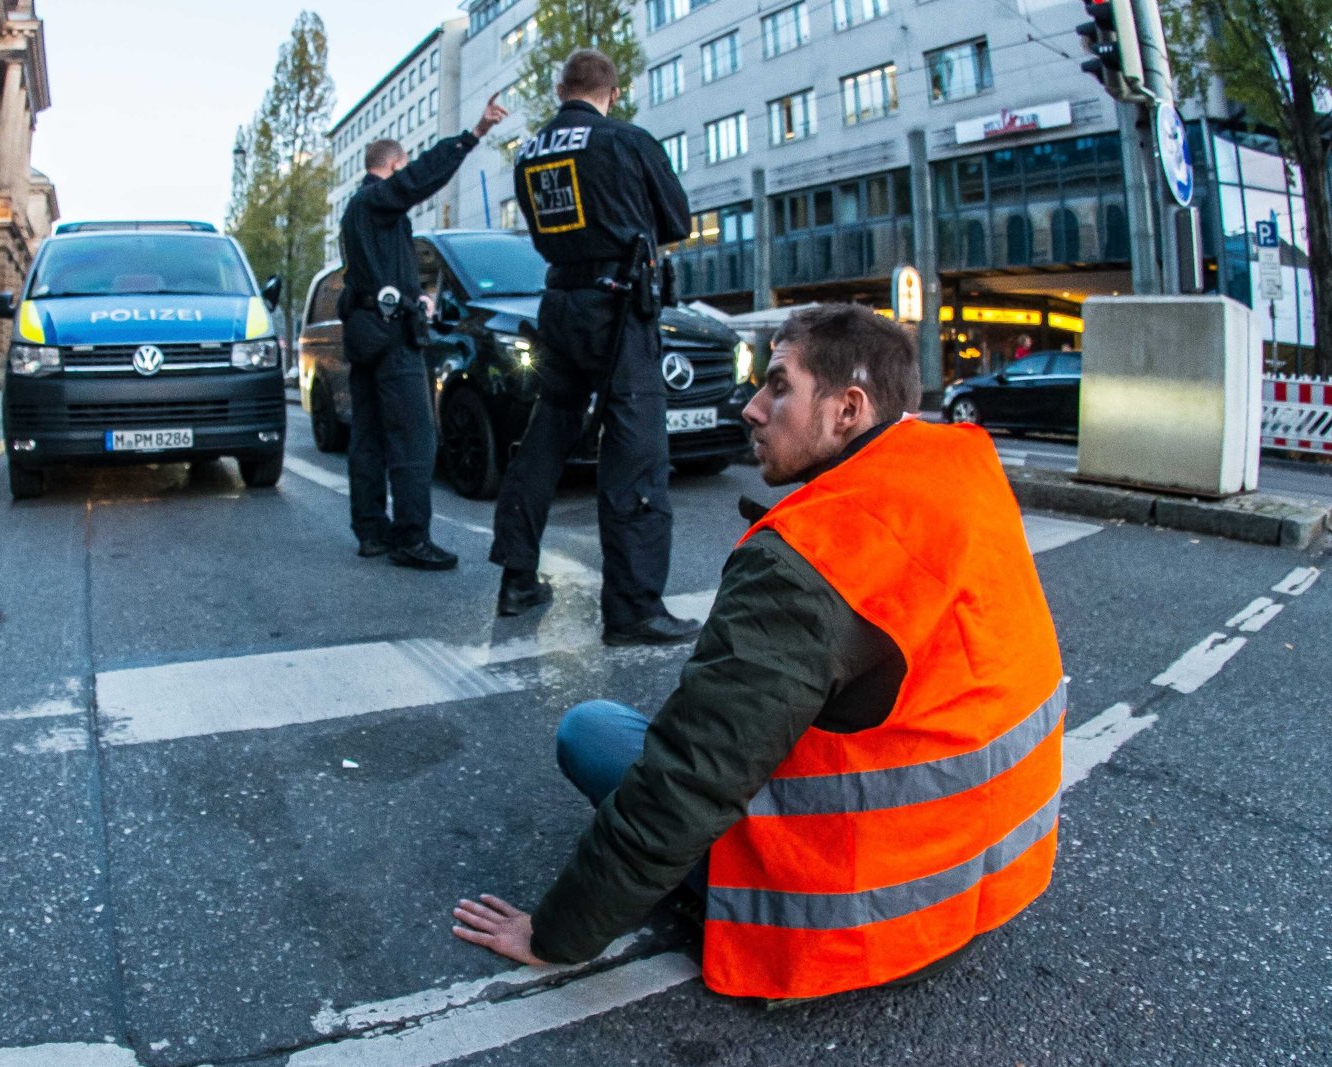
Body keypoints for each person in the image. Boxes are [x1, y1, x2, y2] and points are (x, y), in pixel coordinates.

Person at [453, 304, 1068, 1002]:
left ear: (848, 410)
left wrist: (553, 935)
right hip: (986, 880)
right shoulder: (960, 473)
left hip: (864, 915)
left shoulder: (813, 557)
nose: (751, 408)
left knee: (592, 731)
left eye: (778, 386)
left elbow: (690, 780)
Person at [487, 51, 697, 646]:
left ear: (561, 88)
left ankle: (517, 578)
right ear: (615, 90)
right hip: (619, 306)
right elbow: (674, 219)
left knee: (547, 435)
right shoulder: (625, 139)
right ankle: (632, 610)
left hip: (560, 303)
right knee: (636, 449)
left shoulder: (529, 153)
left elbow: (538, 224)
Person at [339, 96, 508, 570]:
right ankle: (412, 539)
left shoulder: (356, 212)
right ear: (393, 166)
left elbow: (372, 277)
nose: (407, 177)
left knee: (369, 436)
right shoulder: (378, 200)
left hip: (367, 330)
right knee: (414, 439)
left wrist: (416, 300)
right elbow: (422, 178)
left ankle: (371, 531)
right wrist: (473, 135)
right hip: (391, 338)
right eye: (404, 169)